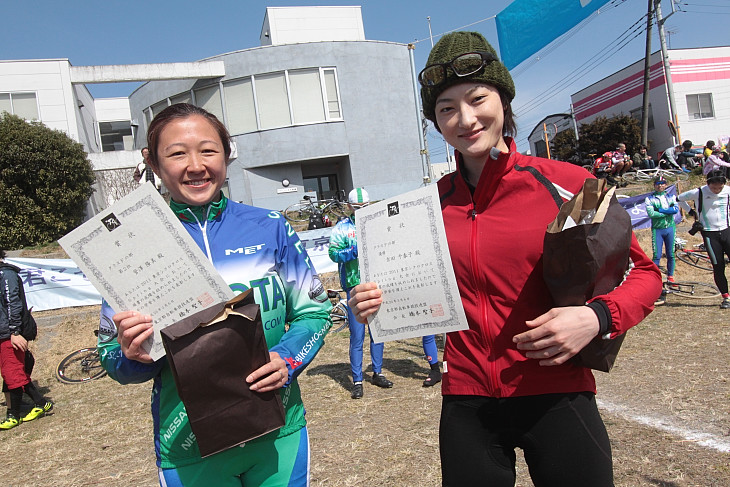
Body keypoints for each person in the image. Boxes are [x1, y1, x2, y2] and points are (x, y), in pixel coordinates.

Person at [349, 31, 661, 486]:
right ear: (435, 122)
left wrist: (596, 318)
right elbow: (409, 291)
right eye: (446, 108)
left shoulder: (571, 184)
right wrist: (374, 302)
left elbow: (645, 274)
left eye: (478, 98)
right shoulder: (423, 208)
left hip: (558, 394)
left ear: (504, 100)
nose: (465, 118)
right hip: (468, 403)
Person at [98, 103, 332, 485]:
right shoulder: (131, 246)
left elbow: (315, 313)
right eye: (176, 153)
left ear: (227, 154)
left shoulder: (269, 227)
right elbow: (112, 357)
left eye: (208, 150)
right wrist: (133, 356)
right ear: (154, 164)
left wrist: (287, 360)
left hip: (278, 431)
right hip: (189, 450)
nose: (195, 165)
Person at [328, 188, 442, 398]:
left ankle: (377, 372)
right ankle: (357, 380)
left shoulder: (377, 224)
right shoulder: (342, 227)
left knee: (378, 332)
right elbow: (333, 253)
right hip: (354, 286)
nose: (360, 210)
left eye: (364, 207)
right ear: (349, 206)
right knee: (357, 335)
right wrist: (354, 250)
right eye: (357, 207)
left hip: (377, 283)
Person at [0, 250, 53, 430]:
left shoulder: (6, 275)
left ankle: (15, 414)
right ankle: (39, 403)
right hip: (4, 334)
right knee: (10, 373)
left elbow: (12, 303)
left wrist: (14, 332)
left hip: (9, 334)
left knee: (13, 374)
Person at [678, 170, 730, 309]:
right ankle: (726, 297)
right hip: (709, 233)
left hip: (726, 230)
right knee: (718, 266)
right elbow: (679, 198)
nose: (717, 190)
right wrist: (691, 212)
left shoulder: (727, 191)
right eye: (714, 188)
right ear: (708, 184)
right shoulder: (699, 192)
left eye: (720, 187)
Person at [644, 177, 678, 282]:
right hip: (657, 229)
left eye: (662, 183)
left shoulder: (671, 196)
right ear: (654, 185)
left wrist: (660, 210)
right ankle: (655, 279)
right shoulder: (649, 198)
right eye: (657, 184)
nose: (660, 186)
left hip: (670, 228)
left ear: (666, 185)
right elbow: (652, 214)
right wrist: (667, 212)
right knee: (657, 255)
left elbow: (675, 210)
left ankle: (670, 277)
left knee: (671, 254)